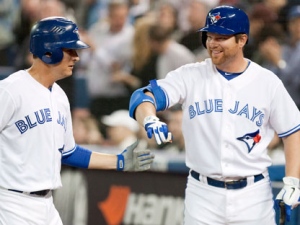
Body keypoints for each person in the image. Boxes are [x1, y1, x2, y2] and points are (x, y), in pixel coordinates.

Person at [128, 5, 300, 224]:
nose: (212, 44)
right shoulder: (190, 75)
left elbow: (293, 130)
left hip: (253, 196)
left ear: (242, 40)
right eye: (209, 36)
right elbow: (143, 97)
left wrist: (293, 181)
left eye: (221, 37)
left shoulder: (267, 82)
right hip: (203, 194)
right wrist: (149, 118)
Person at [0, 17, 154, 225]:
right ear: (48, 51)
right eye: (70, 50)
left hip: (46, 206)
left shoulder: (60, 96)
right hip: (10, 203)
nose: (76, 57)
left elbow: (68, 152)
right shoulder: (11, 91)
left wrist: (118, 161)